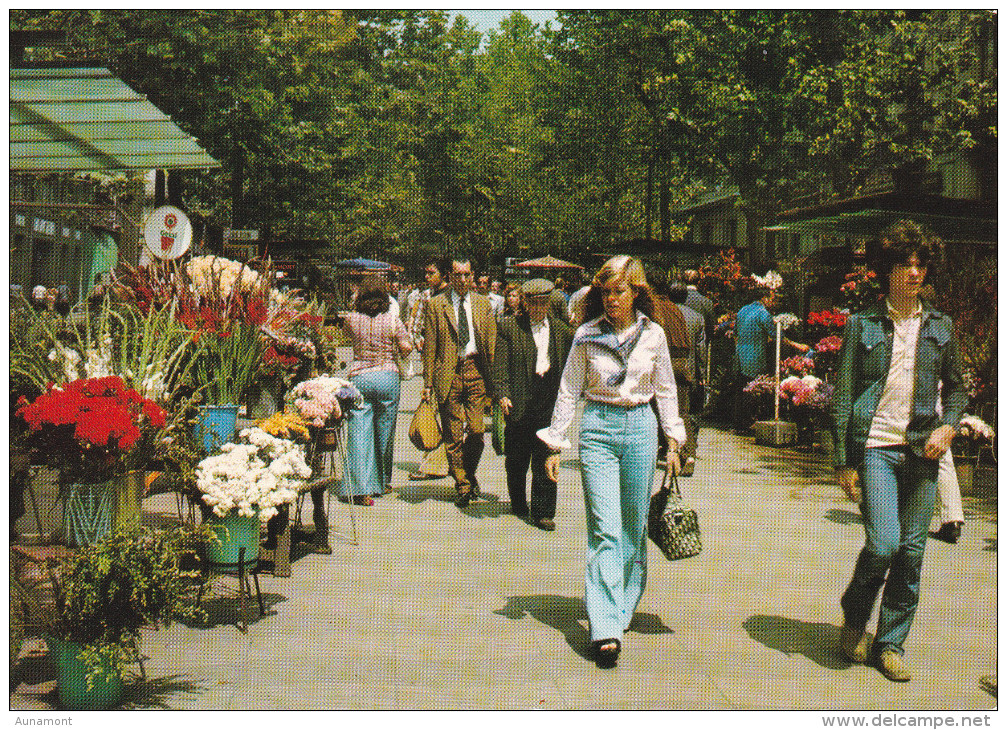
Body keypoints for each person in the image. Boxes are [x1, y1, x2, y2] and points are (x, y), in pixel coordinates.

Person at [831, 220, 966, 682]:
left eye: (920, 265)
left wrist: (948, 426)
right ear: (886, 270)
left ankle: (890, 644)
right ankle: (855, 615)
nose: (914, 273)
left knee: (911, 553)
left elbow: (960, 389)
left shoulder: (941, 326)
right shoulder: (862, 324)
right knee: (884, 543)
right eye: (905, 264)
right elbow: (845, 393)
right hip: (875, 447)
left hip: (921, 452)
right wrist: (843, 461)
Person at [540, 255, 685, 668]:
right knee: (604, 529)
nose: (611, 299)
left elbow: (666, 389)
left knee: (632, 525)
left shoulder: (654, 335)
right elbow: (569, 389)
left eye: (619, 291)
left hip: (641, 428)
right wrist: (556, 443)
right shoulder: (586, 335)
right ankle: (604, 627)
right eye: (605, 291)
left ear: (636, 291)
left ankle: (620, 608)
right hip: (598, 428)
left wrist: (673, 441)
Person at [492, 279, 574, 531]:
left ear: (549, 303)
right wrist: (503, 394)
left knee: (546, 454)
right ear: (525, 303)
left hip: (547, 398)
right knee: (517, 458)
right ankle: (518, 501)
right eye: (534, 303)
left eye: (543, 303)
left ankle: (544, 511)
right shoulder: (509, 327)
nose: (539, 308)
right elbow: (501, 365)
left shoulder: (563, 331)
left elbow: (570, 370)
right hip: (519, 398)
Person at [422, 257, 497, 507]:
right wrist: (427, 383)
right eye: (457, 275)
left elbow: (492, 343)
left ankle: (467, 472)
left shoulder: (483, 303)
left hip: (476, 371)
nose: (463, 280)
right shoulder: (435, 305)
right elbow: (430, 346)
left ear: (473, 275)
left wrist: (496, 381)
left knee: (476, 431)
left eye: (467, 274)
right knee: (453, 436)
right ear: (450, 276)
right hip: (449, 374)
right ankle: (463, 485)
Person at [337, 276, 414, 505]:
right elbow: (406, 347)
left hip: (360, 377)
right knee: (384, 433)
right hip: (387, 378)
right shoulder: (393, 320)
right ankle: (381, 482)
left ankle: (360, 487)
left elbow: (349, 338)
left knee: (359, 433)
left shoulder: (352, 320)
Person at [733, 284, 808, 428]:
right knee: (755, 389)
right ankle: (752, 421)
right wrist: (797, 345)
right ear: (764, 298)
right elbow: (777, 336)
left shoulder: (742, 310)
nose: (773, 302)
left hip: (739, 356)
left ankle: (739, 423)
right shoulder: (763, 313)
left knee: (740, 390)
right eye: (771, 299)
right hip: (754, 357)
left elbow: (736, 332)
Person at [653, 280, 706, 476]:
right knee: (682, 412)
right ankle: (689, 455)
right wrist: (701, 374)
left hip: (662, 364)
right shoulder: (692, 316)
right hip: (684, 366)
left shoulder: (658, 310)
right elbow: (700, 350)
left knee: (656, 408)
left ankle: (662, 449)